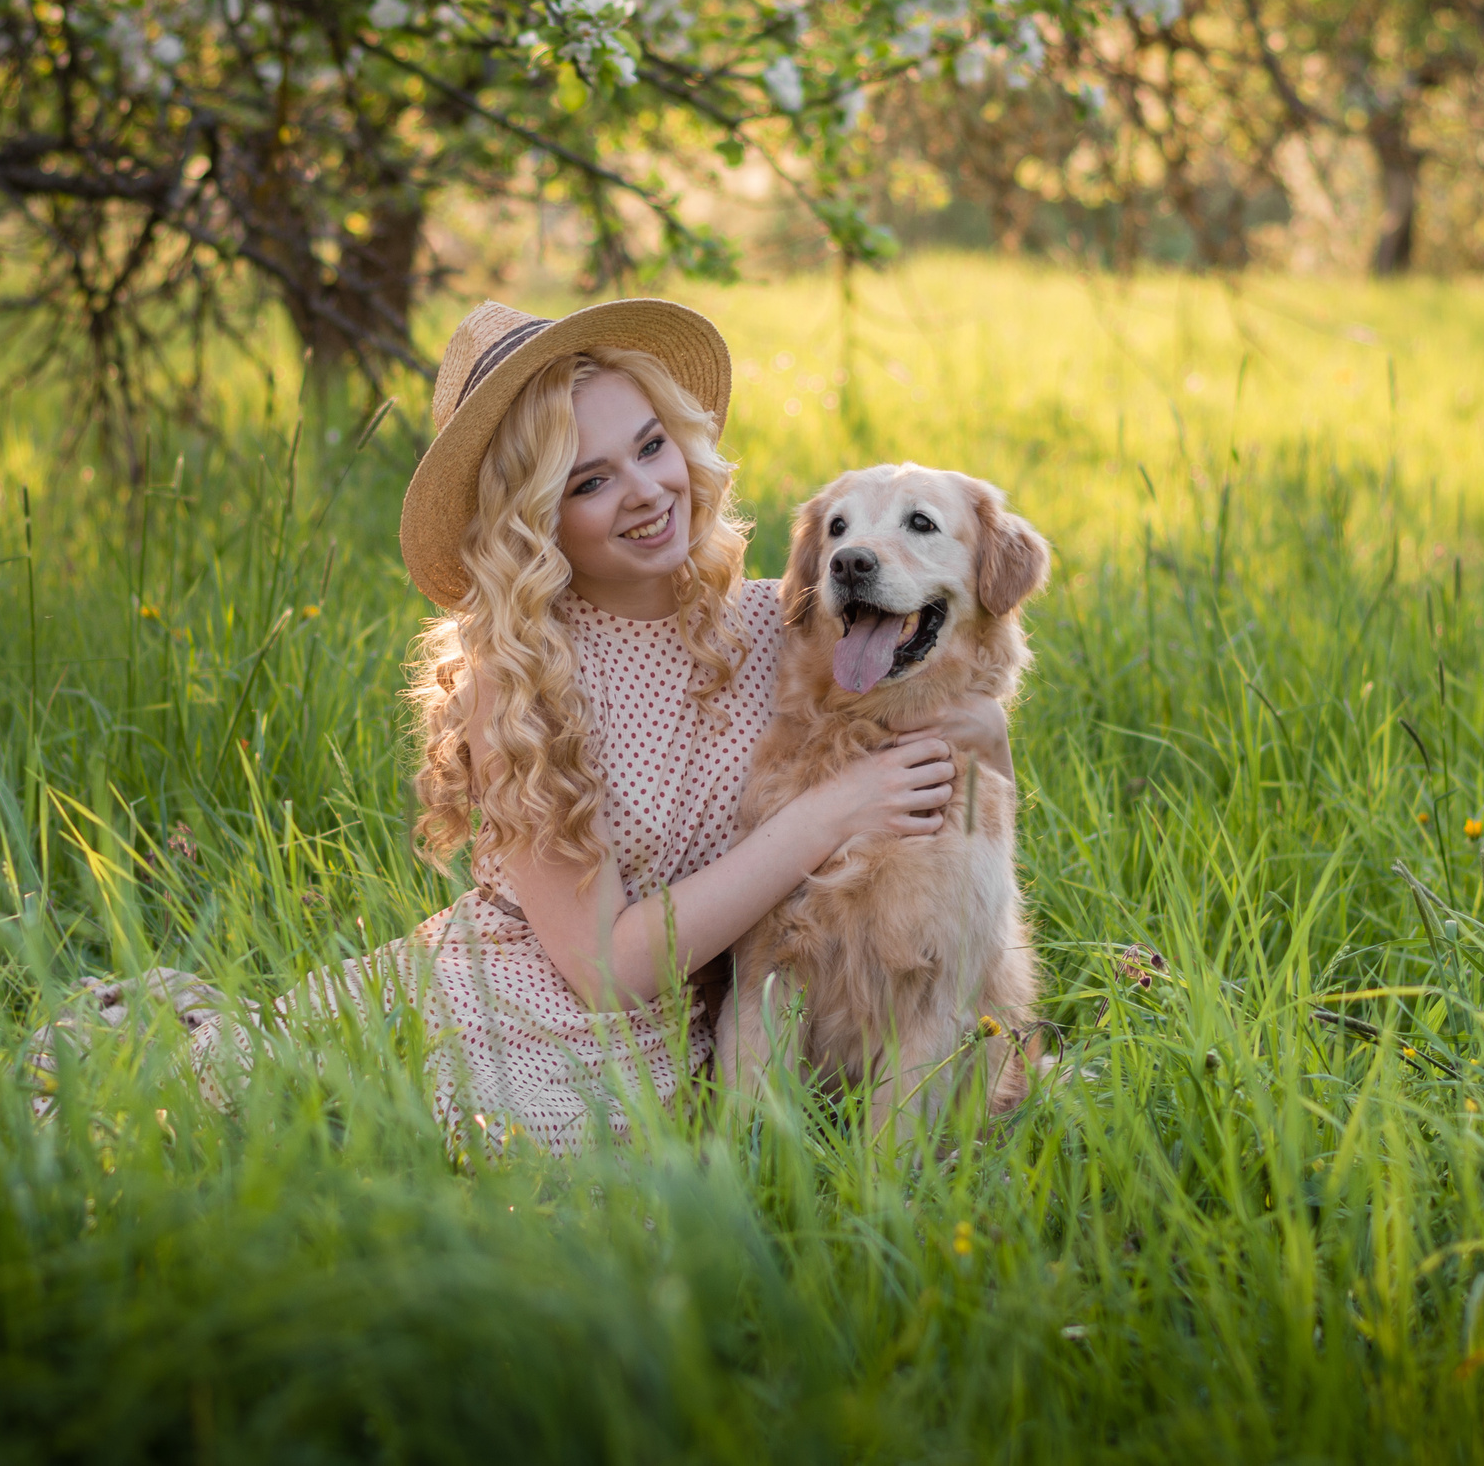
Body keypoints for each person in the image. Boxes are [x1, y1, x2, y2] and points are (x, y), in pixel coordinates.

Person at [128, 298, 1012, 1152]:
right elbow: (604, 972)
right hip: (534, 1015)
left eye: (652, 446)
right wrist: (826, 816)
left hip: (710, 1031)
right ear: (532, 518)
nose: (644, 492)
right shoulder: (516, 688)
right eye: (589, 480)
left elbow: (964, 716)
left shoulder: (777, 625)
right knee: (317, 1123)